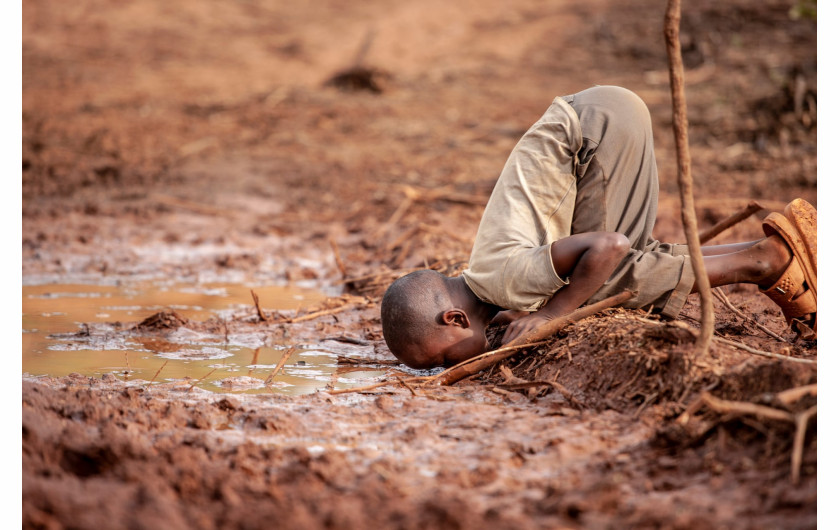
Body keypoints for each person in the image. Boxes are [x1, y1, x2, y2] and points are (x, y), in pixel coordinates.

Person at [380, 85, 817, 369]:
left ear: (454, 318)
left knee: (606, 280)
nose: (446, 368)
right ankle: (777, 247)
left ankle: (767, 262)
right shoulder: (491, 278)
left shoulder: (504, 281)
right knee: (616, 269)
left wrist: (551, 314)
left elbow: (608, 245)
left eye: (438, 360)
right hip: (600, 116)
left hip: (595, 133)